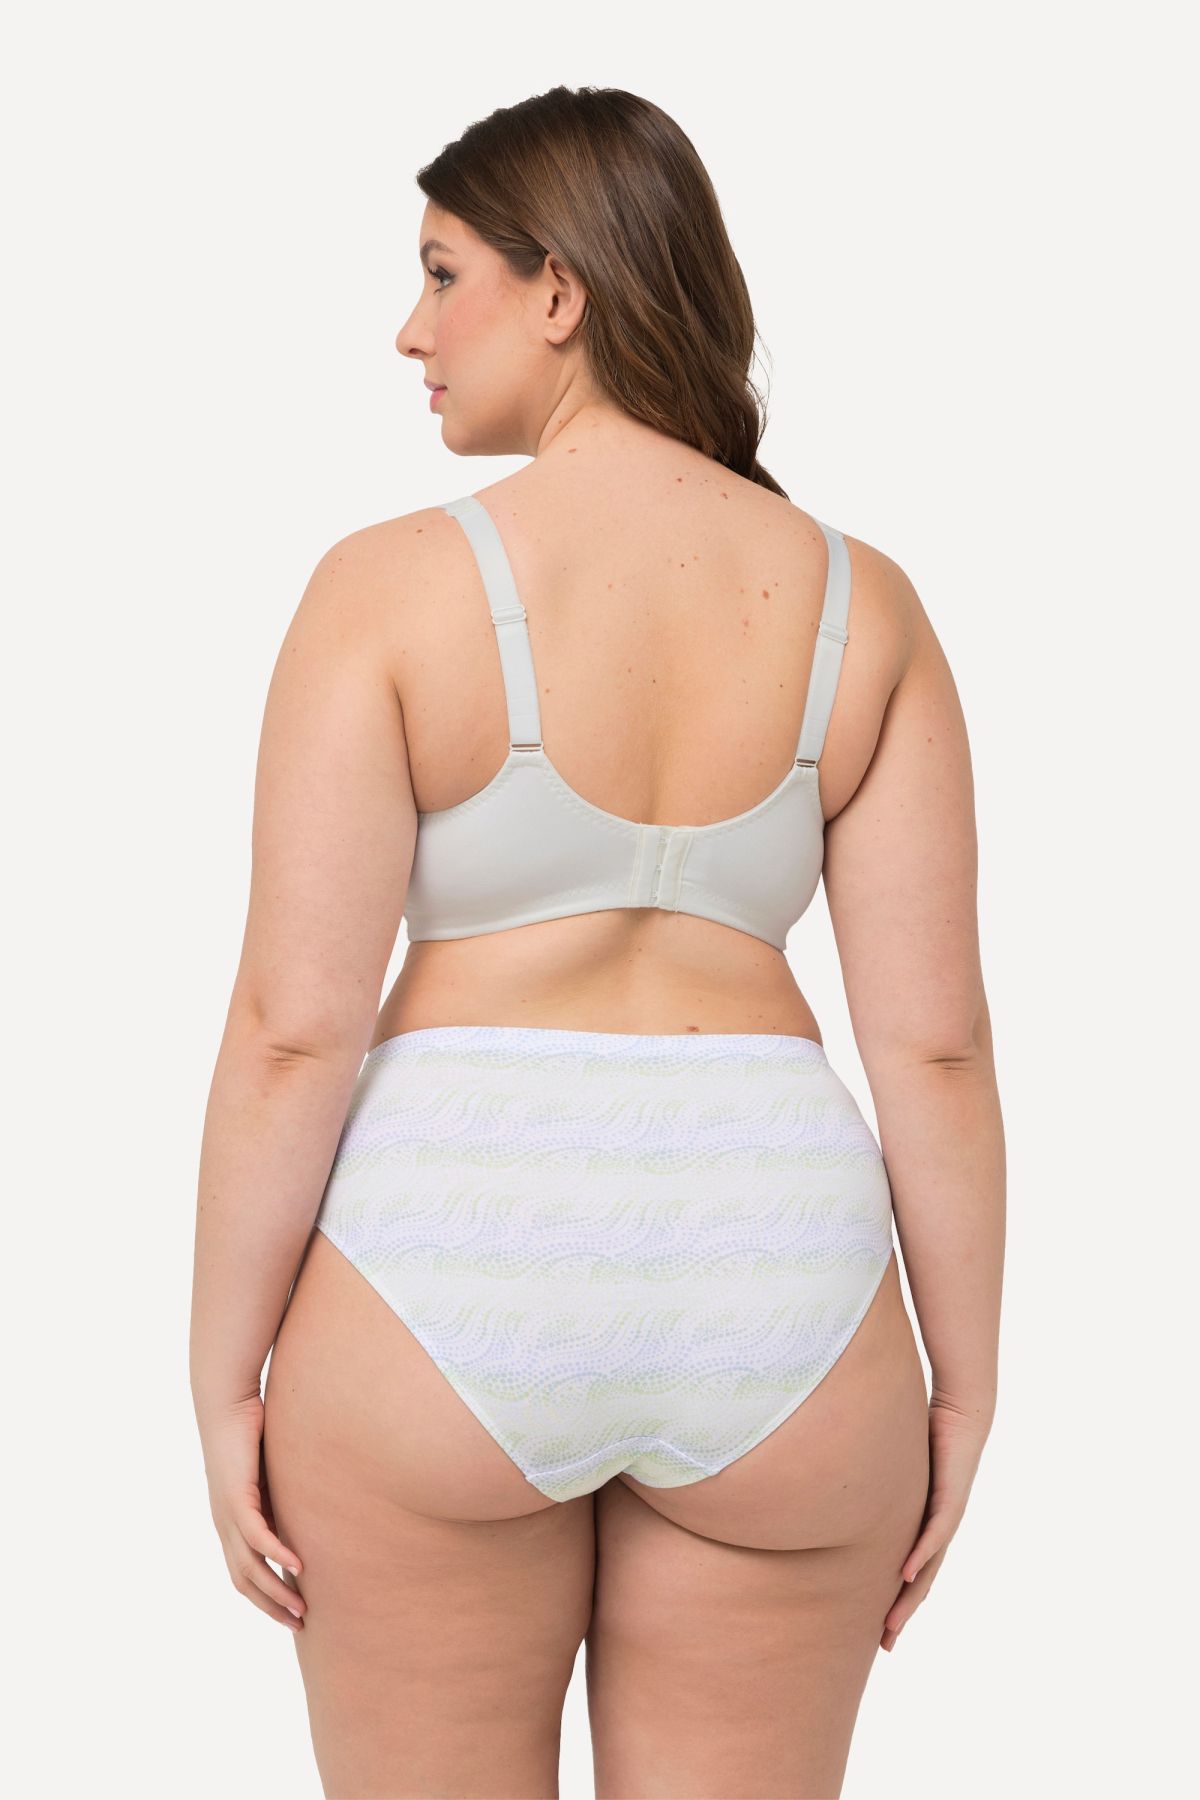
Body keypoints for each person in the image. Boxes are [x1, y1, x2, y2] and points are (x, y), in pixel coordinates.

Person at [189, 84, 1005, 1800]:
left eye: (443, 274)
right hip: (782, 1287)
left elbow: (292, 1029)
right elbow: (934, 1047)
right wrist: (961, 1391)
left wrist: (220, 1375)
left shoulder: (389, 587)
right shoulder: (865, 606)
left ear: (560, 292)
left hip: (445, 1268)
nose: (410, 330)